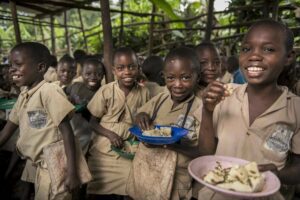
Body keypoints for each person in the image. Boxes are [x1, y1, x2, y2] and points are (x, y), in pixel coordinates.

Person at [197, 19, 300, 200]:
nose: (254, 56)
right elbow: (205, 154)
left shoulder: (296, 109)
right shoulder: (223, 95)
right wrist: (207, 111)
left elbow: (297, 168)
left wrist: (279, 175)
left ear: (289, 57)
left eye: (268, 49)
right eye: (246, 49)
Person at [0, 42, 81, 200]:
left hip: (57, 166)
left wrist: (72, 172)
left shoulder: (49, 91)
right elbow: (5, 132)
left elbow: (67, 132)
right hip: (39, 165)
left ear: (41, 68)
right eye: (10, 65)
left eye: (18, 64)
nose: (11, 69)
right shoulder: (24, 95)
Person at [127, 47, 203, 200]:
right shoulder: (160, 99)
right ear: (164, 77)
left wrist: (172, 145)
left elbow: (203, 152)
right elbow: (140, 114)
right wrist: (141, 116)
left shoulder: (200, 108)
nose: (177, 85)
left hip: (176, 181)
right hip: (146, 174)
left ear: (197, 77)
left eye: (185, 78)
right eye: (171, 78)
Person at [86, 47, 150, 199]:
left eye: (131, 67)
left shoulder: (144, 92)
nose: (127, 72)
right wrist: (110, 134)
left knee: (132, 184)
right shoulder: (106, 91)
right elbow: (92, 122)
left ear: (138, 68)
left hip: (128, 147)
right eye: (121, 68)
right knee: (97, 187)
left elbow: (146, 118)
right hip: (104, 147)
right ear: (114, 70)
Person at [65, 57, 105, 154]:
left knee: (81, 153)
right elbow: (63, 92)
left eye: (98, 74)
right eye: (88, 74)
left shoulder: (103, 92)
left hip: (89, 131)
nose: (93, 77)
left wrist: (86, 111)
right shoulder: (76, 86)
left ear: (103, 76)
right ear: (81, 75)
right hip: (72, 126)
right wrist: (67, 98)